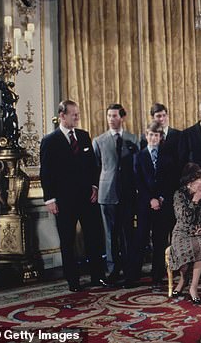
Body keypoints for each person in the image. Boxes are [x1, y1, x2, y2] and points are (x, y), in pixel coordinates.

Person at [39, 100, 107, 292]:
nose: (77, 117)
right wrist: (50, 199)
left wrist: (94, 186)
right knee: (67, 241)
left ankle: (98, 277)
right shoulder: (50, 141)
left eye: (78, 114)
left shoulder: (84, 136)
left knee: (94, 238)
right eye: (73, 114)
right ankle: (73, 281)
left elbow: (93, 166)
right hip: (63, 201)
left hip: (88, 198)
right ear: (62, 116)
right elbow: (46, 173)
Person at [92, 104, 139, 284]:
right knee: (110, 234)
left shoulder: (133, 139)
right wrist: (95, 189)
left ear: (122, 118)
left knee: (127, 233)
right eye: (109, 116)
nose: (111, 119)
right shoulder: (99, 140)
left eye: (115, 116)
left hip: (127, 193)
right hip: (107, 193)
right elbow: (95, 168)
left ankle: (129, 270)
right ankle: (112, 270)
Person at [126, 121, 175, 288]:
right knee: (140, 238)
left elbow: (170, 181)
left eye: (157, 135)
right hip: (145, 204)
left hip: (162, 204)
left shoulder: (168, 158)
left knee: (160, 239)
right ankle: (133, 275)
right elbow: (138, 182)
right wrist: (150, 199)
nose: (154, 138)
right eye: (151, 135)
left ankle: (157, 275)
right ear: (146, 136)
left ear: (161, 137)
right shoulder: (138, 157)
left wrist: (161, 198)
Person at [168, 164, 201, 304]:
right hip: (181, 232)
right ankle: (183, 279)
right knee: (183, 251)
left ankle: (193, 287)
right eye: (199, 180)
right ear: (189, 183)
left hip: (197, 233)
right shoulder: (179, 195)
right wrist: (195, 201)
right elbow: (183, 217)